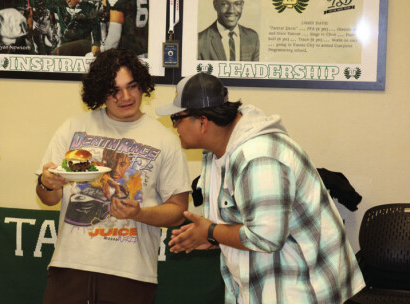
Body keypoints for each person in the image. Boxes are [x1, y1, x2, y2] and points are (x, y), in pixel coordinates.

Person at [156, 73, 365, 303]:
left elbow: (265, 238)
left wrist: (210, 232)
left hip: (304, 290)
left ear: (202, 122)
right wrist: (214, 237)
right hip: (264, 287)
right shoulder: (216, 155)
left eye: (177, 117)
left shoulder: (258, 157)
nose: (174, 125)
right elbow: (242, 223)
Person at [36, 48, 190, 304]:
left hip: (131, 274)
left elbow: (178, 211)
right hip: (70, 267)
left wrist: (139, 213)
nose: (126, 97)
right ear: (100, 92)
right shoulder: (73, 128)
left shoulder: (165, 140)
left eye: (132, 86)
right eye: (114, 90)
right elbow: (48, 198)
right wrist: (46, 182)